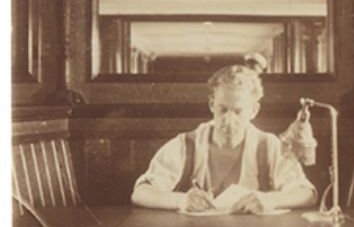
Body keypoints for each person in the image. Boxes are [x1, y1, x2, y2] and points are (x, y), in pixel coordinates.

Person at [131, 62, 317, 213]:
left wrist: (271, 200)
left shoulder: (268, 145)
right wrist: (181, 200)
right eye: (223, 109)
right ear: (212, 104)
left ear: (254, 110)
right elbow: (141, 192)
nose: (229, 119)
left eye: (238, 111)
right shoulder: (187, 145)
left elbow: (307, 193)